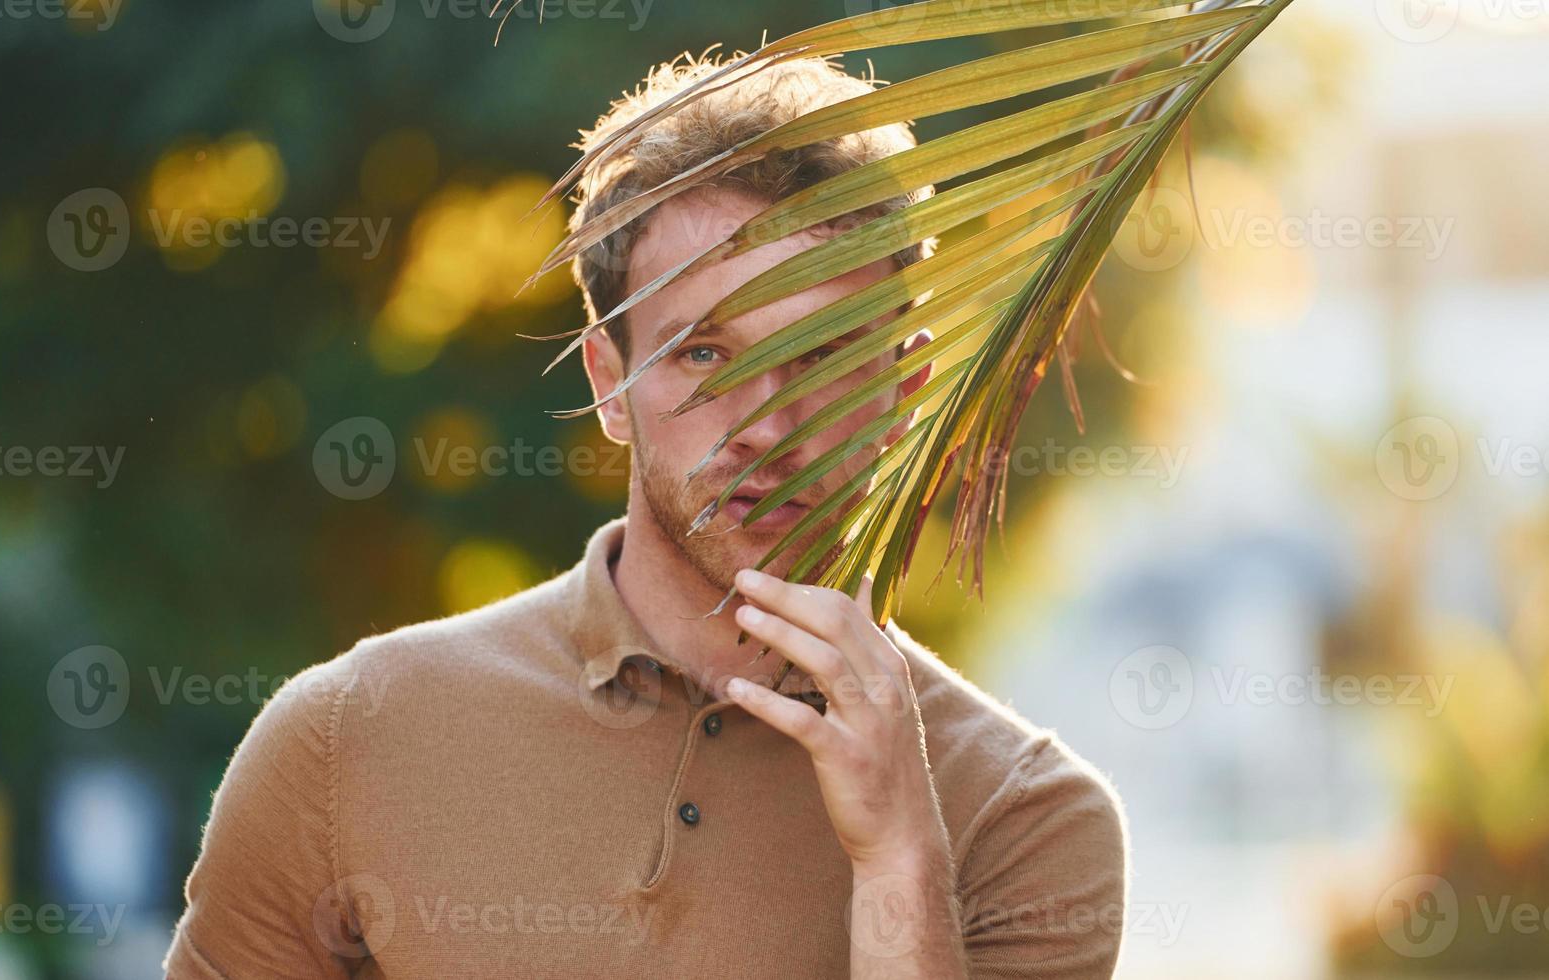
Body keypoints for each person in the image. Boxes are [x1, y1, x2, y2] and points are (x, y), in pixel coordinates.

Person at [164, 52, 1128, 979]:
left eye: (826, 358)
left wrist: (902, 860)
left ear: (908, 386)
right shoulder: (345, 737)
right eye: (705, 355)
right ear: (609, 383)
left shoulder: (1028, 817)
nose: (768, 424)